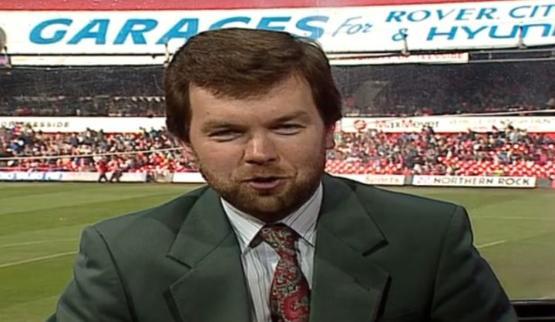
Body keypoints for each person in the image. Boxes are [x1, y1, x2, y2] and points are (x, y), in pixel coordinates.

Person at [48, 28, 517, 322]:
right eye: (227, 132)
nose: (259, 153)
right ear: (184, 142)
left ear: (329, 130)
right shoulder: (122, 255)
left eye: (286, 126)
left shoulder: (430, 238)